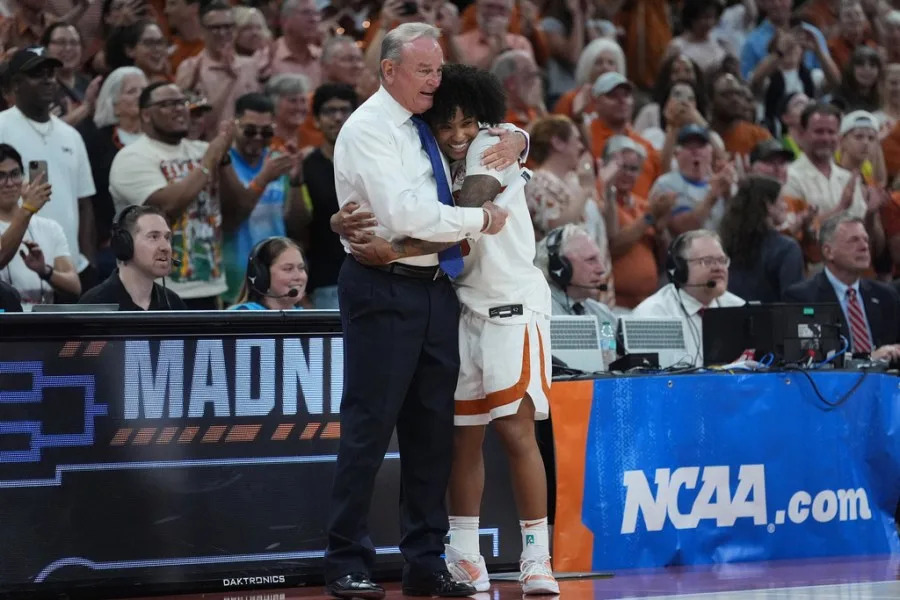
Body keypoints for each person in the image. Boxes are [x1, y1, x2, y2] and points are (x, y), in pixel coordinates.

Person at [336, 62, 557, 594]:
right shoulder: (428, 150)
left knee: (516, 432)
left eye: (468, 123)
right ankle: (463, 555)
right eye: (447, 125)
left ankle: (537, 557)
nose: (458, 135)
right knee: (460, 439)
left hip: (511, 305)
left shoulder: (489, 149)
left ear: (483, 120)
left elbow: (465, 209)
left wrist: (396, 250)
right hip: (458, 304)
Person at [109, 81, 292, 309]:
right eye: (168, 104)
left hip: (210, 285)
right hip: (155, 287)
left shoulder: (202, 150)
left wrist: (227, 162)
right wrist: (209, 162)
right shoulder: (132, 157)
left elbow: (237, 213)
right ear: (146, 114)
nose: (179, 109)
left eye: (181, 103)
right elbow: (166, 210)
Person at [0, 48, 97, 299]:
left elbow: (84, 204)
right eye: (36, 74)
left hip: (67, 268)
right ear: (16, 84)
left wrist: (88, 260)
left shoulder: (71, 135)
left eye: (51, 74)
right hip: (13, 268)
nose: (48, 80)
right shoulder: (2, 126)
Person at [783, 214, 900, 360]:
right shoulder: (803, 298)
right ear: (828, 251)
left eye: (865, 240)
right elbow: (810, 359)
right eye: (854, 241)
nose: (864, 247)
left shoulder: (886, 296)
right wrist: (868, 358)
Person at [222, 92, 298, 304]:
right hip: (235, 280)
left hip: (277, 281)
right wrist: (263, 179)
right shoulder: (223, 162)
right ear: (234, 124)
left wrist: (296, 180)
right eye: (249, 130)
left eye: (266, 132)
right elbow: (230, 220)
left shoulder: (276, 161)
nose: (257, 138)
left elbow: (291, 220)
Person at [632, 229, 745, 366]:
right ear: (680, 270)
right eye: (707, 261)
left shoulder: (740, 309)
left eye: (722, 260)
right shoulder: (652, 315)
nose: (719, 268)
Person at [79, 66, 148, 281]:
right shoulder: (95, 139)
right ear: (113, 103)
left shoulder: (161, 139)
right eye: (131, 91)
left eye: (144, 90)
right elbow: (89, 197)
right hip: (110, 245)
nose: (141, 96)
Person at [0, 143, 80, 306]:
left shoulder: (50, 228)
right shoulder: (27, 212)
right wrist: (27, 209)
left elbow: (75, 287)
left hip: (44, 323)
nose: (9, 183)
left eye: (15, 174)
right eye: (0, 176)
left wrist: (45, 271)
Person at [303, 83, 358, 309]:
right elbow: (299, 226)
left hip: (372, 271)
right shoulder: (306, 166)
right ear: (316, 120)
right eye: (329, 111)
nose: (338, 117)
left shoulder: (372, 162)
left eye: (345, 110)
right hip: (325, 281)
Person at [79, 205, 187, 310]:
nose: (165, 247)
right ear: (125, 244)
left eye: (167, 237)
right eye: (154, 237)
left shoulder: (174, 304)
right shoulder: (94, 305)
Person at [719, 175, 804, 302]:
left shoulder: (723, 244)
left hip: (729, 319)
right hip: (773, 321)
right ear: (768, 205)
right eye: (782, 200)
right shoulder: (786, 249)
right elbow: (794, 303)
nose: (786, 206)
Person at [649, 124, 736, 235]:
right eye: (689, 147)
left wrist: (728, 196)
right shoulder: (665, 184)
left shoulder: (724, 181)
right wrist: (712, 197)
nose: (696, 152)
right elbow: (683, 230)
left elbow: (738, 227)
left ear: (710, 153)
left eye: (701, 146)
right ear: (677, 154)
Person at [535, 224, 616, 323]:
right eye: (591, 260)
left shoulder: (602, 314)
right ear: (561, 266)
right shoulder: (539, 313)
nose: (602, 269)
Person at [229, 236, 307, 310]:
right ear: (262, 275)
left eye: (301, 268)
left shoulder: (307, 318)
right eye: (288, 269)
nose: (298, 276)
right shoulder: (242, 316)